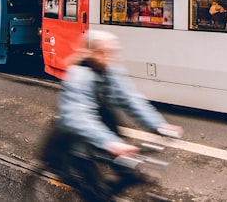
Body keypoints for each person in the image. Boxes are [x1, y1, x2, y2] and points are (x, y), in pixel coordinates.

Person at [39, 30, 183, 201]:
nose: (108, 57)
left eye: (111, 52)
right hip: (76, 140)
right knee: (97, 193)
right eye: (102, 52)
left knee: (130, 172)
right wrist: (110, 143)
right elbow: (79, 116)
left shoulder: (111, 71)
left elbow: (130, 99)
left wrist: (159, 125)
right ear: (90, 53)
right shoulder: (79, 76)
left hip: (105, 130)